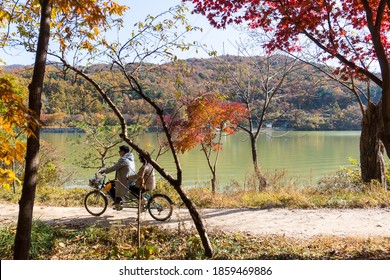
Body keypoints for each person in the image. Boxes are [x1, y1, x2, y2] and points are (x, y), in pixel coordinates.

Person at [99, 145, 136, 210]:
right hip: (130, 180)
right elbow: (116, 165)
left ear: (123, 151)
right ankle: (118, 200)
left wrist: (104, 171)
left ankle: (117, 202)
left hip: (125, 181)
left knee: (109, 185)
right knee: (112, 184)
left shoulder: (124, 160)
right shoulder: (130, 159)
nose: (119, 152)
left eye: (119, 151)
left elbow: (114, 167)